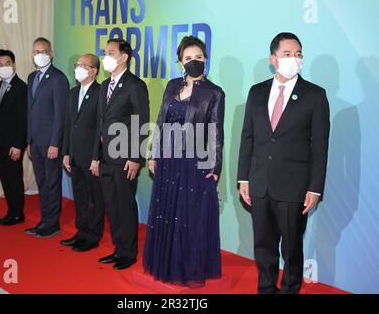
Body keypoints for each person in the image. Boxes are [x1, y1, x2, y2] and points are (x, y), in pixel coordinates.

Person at [237, 32, 330, 294]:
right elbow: (248, 137)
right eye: (287, 54)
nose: (294, 59)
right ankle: (266, 289)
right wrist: (243, 177)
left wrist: (315, 188)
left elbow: (321, 147)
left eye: (298, 54)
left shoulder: (314, 95)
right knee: (263, 246)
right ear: (273, 59)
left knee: (291, 248)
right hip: (259, 183)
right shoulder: (256, 92)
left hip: (294, 186)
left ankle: (290, 289)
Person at [143, 36, 225, 287]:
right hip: (167, 160)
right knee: (168, 214)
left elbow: (216, 132)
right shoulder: (171, 86)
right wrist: (154, 154)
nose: (194, 62)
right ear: (180, 62)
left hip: (193, 163)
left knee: (189, 217)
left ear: (206, 60)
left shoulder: (214, 92)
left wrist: (215, 166)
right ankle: (166, 266)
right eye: (188, 58)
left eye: (198, 58)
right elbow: (160, 122)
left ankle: (187, 269)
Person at [91, 38, 150, 270]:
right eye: (105, 52)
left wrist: (136, 157)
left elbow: (142, 122)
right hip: (105, 157)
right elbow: (100, 122)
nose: (106, 56)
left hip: (125, 157)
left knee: (124, 204)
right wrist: (95, 156)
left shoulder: (135, 85)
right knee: (111, 204)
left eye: (111, 52)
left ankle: (128, 252)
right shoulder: (105, 85)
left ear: (124, 57)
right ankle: (118, 248)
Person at [25, 37, 69, 238]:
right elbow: (30, 111)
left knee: (52, 182)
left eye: (43, 51)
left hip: (51, 143)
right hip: (35, 142)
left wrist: (55, 143)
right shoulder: (31, 78)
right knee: (42, 183)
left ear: (51, 54)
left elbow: (61, 114)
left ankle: (53, 223)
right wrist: (28, 140)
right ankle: (44, 219)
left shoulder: (58, 78)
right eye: (35, 51)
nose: (39, 55)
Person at [60, 54, 104, 252]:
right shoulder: (71, 93)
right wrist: (66, 153)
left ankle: (92, 236)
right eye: (76, 65)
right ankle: (81, 232)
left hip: (92, 156)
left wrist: (96, 156)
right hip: (75, 155)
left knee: (94, 198)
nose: (77, 68)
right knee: (80, 196)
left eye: (82, 65)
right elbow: (68, 125)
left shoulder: (101, 92)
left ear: (93, 70)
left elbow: (100, 129)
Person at [0, 49, 27, 226]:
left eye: (7, 64)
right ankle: (10, 211)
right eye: (0, 64)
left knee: (14, 178)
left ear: (13, 64)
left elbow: (23, 119)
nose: (3, 67)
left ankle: (18, 214)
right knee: (5, 178)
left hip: (14, 144)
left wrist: (19, 145)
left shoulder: (21, 87)